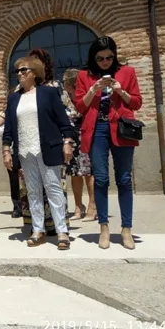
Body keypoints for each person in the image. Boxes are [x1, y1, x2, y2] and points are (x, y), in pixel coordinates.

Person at [74, 36, 142, 250]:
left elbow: (137, 103)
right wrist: (93, 89)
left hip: (121, 128)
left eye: (109, 57)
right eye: (100, 58)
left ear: (115, 55)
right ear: (93, 58)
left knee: (124, 179)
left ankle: (126, 229)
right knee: (101, 179)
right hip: (97, 130)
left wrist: (121, 91)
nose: (105, 61)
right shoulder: (84, 76)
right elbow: (80, 107)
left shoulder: (127, 73)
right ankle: (103, 227)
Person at [2, 58, 74, 250]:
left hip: (47, 148)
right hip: (25, 151)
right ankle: (37, 230)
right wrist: (6, 150)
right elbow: (8, 127)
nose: (19, 73)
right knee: (32, 191)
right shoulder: (14, 98)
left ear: (35, 72)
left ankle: (62, 232)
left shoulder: (48, 93)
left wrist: (67, 142)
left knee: (53, 188)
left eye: (24, 70)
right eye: (17, 71)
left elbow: (63, 122)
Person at [62, 69, 95, 221]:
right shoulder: (64, 98)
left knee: (88, 172)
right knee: (74, 173)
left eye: (64, 81)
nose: (62, 84)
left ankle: (92, 206)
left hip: (85, 136)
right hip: (71, 139)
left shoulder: (84, 95)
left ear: (71, 83)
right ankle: (78, 206)